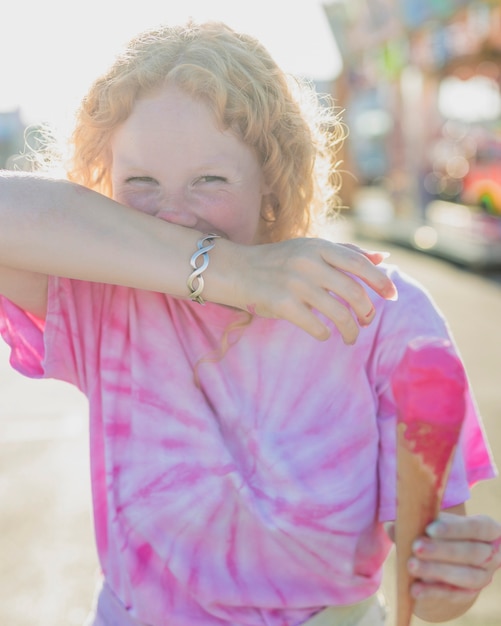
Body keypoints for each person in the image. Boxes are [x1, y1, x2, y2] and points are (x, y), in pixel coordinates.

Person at [0, 20, 499, 626]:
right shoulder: (107, 301)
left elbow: (436, 571)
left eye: (210, 179)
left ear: (272, 178)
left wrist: (448, 583)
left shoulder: (382, 310)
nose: (174, 213)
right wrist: (229, 269)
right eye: (140, 182)